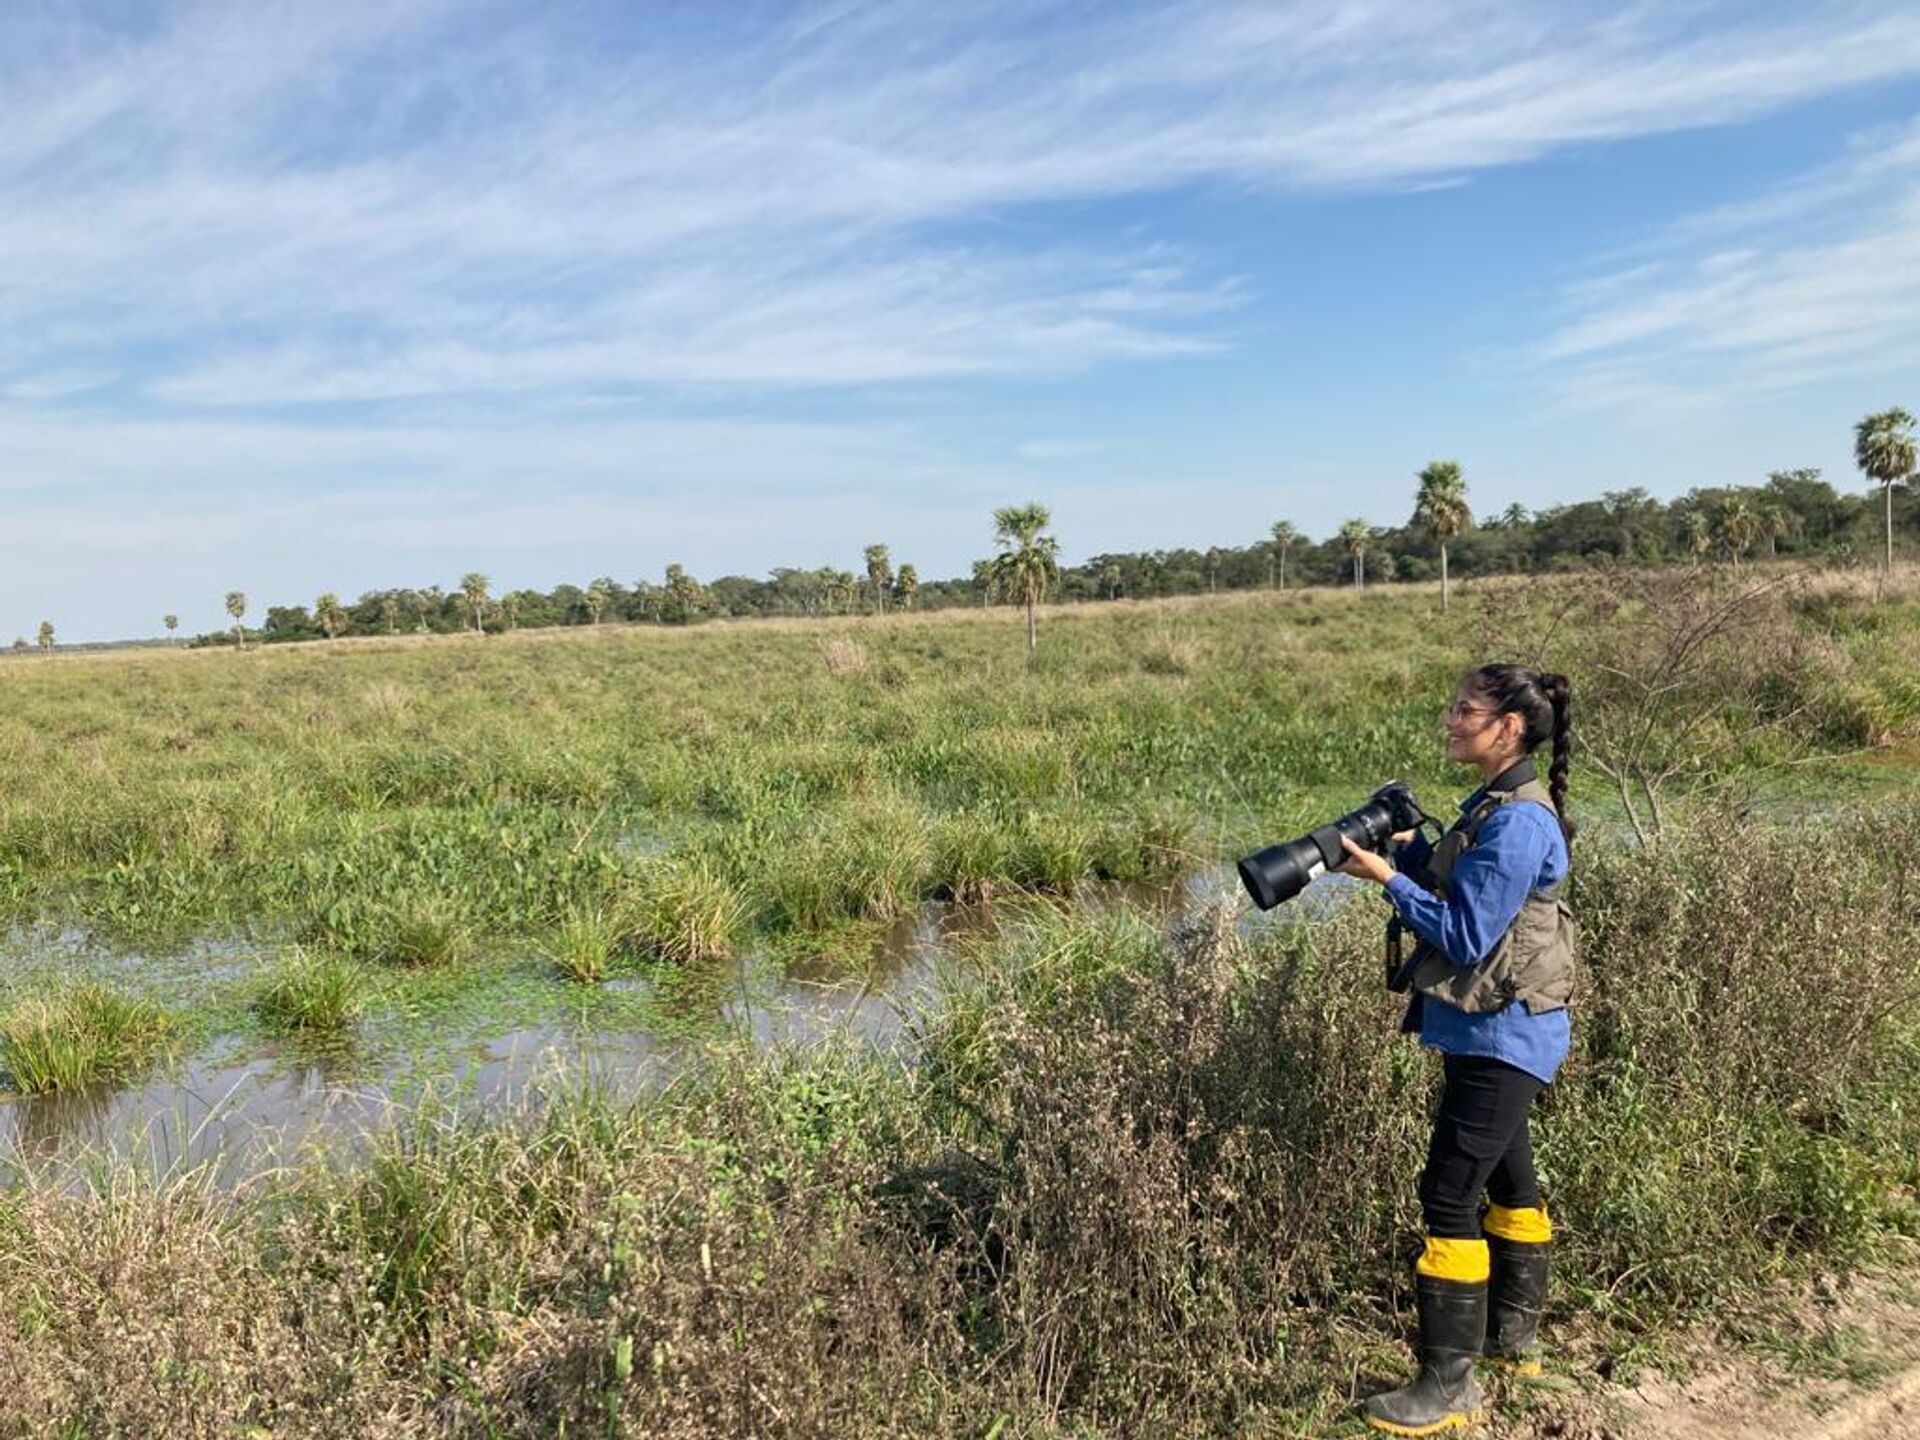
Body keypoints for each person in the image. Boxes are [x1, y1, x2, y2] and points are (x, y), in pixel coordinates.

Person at [1335, 664, 1576, 1437]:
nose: (1450, 719)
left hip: (1506, 1034)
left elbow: (1468, 936)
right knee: (1511, 1178)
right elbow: (1466, 894)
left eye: (1464, 709)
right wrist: (1405, 853)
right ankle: (1514, 1344)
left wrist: (1383, 880)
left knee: (1447, 1193)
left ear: (1507, 728)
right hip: (1494, 1029)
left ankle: (1448, 1388)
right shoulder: (1495, 806)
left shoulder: (1519, 822)